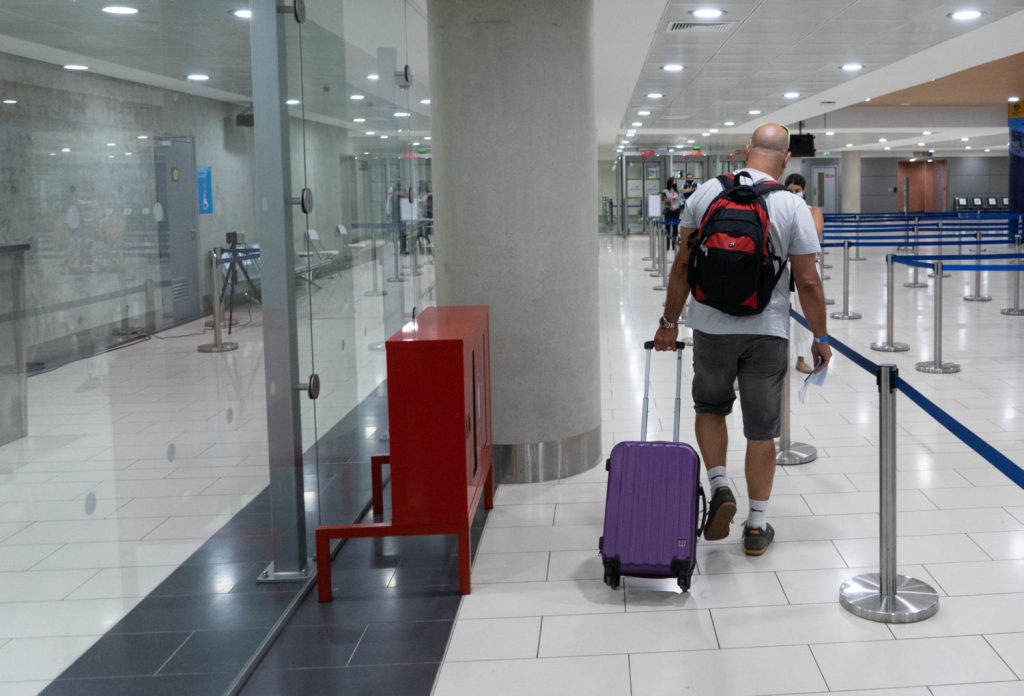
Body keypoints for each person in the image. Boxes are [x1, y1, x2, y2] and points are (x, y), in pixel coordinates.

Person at [653, 123, 831, 556]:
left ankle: (719, 485)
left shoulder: (706, 193)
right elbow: (808, 282)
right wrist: (820, 337)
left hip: (710, 326)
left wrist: (669, 322)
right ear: (786, 159)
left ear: (746, 150)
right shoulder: (792, 205)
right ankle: (756, 526)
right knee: (761, 431)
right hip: (766, 331)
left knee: (709, 408)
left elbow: (682, 265)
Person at [784, 173, 826, 374]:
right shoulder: (781, 209)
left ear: (804, 190)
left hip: (806, 265)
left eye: (797, 190)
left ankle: (801, 358)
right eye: (790, 191)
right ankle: (779, 357)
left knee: (804, 312)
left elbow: (814, 233)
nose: (794, 193)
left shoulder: (813, 211)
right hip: (784, 266)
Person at [660, 177, 681, 250]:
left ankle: (674, 245)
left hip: (676, 210)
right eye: (674, 181)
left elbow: (679, 201)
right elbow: (663, 201)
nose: (675, 182)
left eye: (675, 181)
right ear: (670, 182)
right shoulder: (665, 191)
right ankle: (667, 245)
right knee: (668, 228)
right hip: (668, 210)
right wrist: (669, 199)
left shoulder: (677, 191)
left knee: (675, 228)